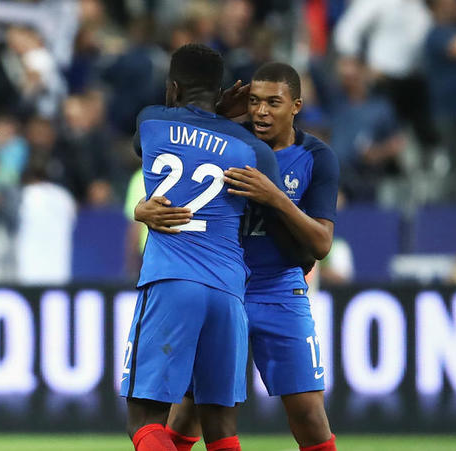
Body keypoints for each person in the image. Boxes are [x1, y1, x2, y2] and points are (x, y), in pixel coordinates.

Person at [136, 62, 340, 451]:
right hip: (222, 286)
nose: (261, 111)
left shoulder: (316, 156)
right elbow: (175, 185)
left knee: (309, 415)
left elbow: (321, 244)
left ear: (296, 106)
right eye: (254, 101)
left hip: (278, 290)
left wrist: (276, 197)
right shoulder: (229, 142)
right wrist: (141, 209)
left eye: (273, 103)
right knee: (190, 411)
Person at [120, 43, 283, 451]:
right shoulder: (255, 151)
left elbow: (171, 138)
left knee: (144, 420)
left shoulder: (151, 120)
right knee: (221, 428)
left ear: (173, 88)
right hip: (228, 291)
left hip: (172, 280)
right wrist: (220, 118)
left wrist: (141, 210)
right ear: (220, 91)